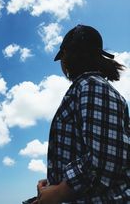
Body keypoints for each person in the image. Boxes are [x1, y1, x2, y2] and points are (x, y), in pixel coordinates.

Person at [33, 25, 130, 204]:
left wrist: (60, 192)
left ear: (66, 56)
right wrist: (56, 182)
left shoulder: (91, 86)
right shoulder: (89, 87)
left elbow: (104, 159)